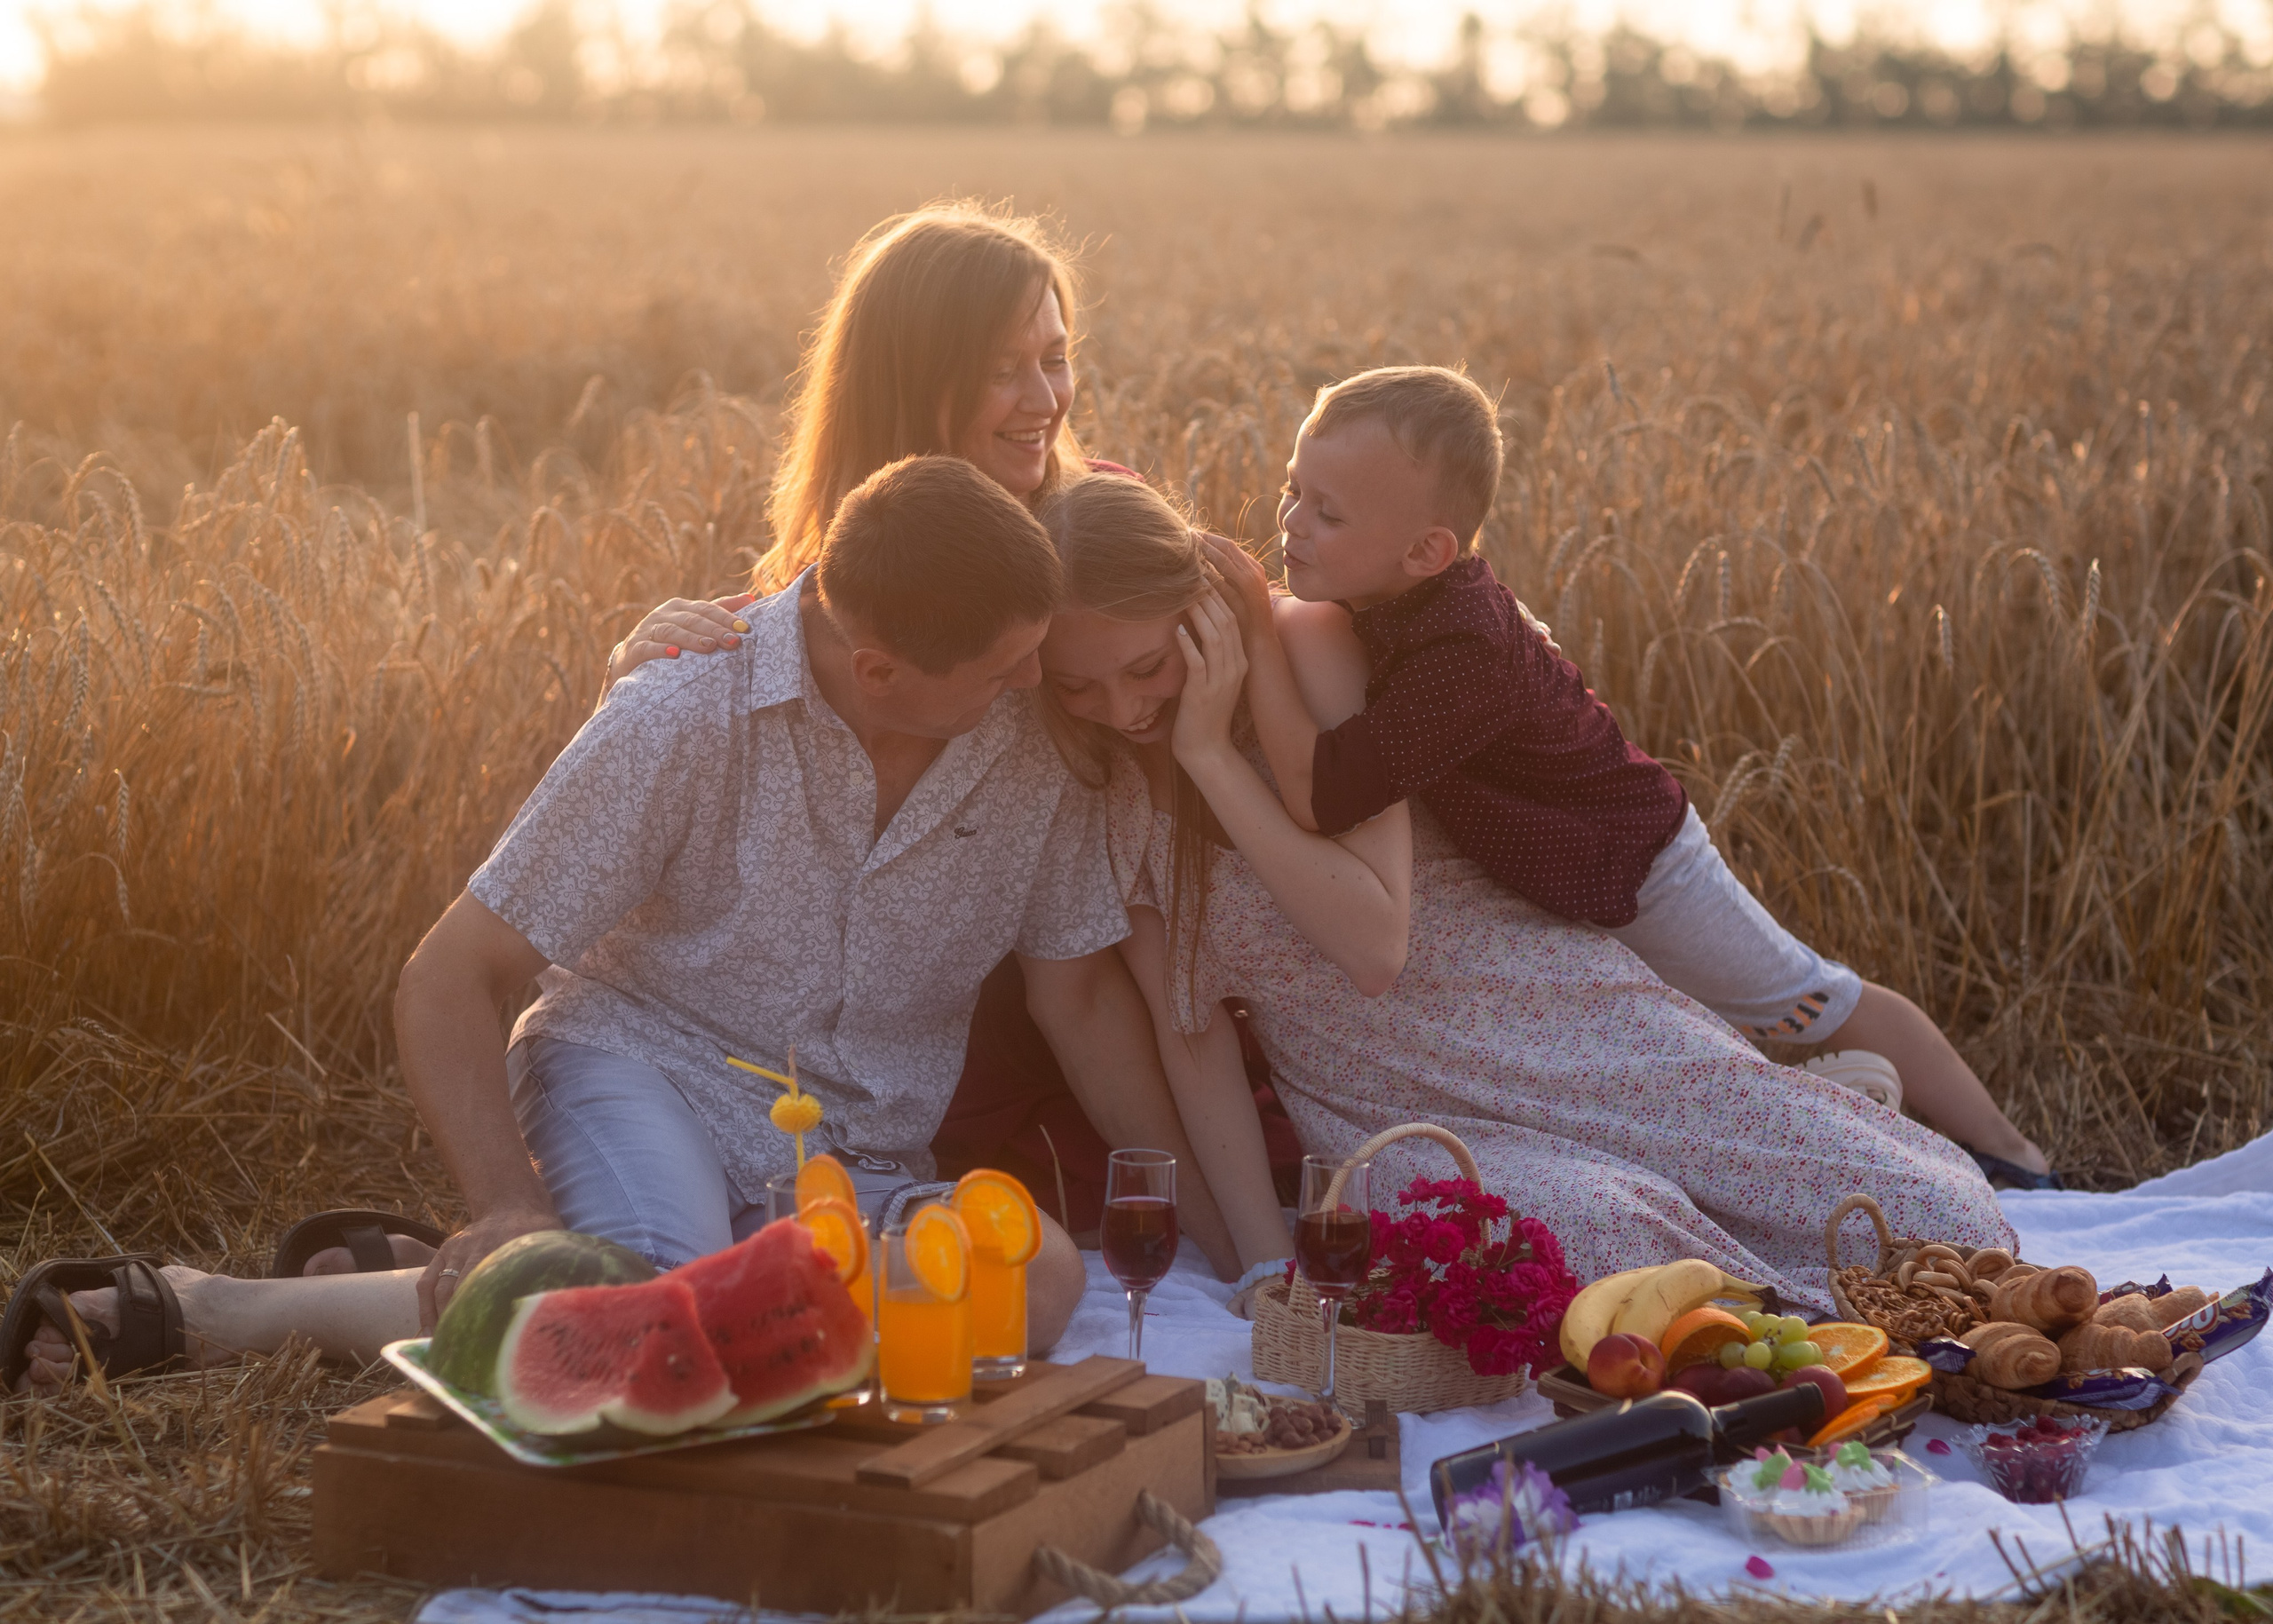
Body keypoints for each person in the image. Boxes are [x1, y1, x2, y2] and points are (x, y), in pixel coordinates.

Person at [7, 456, 1239, 1395]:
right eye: (1008, 669)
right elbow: (451, 978)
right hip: (648, 1067)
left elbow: (1080, 998)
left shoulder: (1027, 737)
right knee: (641, 1308)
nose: (1039, 689)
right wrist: (506, 1211)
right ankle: (208, 1310)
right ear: (879, 670)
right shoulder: (680, 718)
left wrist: (1228, 1249)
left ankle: (431, 1283)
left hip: (856, 1151)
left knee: (1038, 1278)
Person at [1033, 470, 2015, 1301]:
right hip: (1390, 1122)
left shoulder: (1307, 648)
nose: (1119, 708)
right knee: (1613, 1242)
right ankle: (1768, 1210)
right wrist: (1260, 1266)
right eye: (1076, 685)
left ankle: (1799, 1109)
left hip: (1555, 1020)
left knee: (1949, 1224)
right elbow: (1189, 1032)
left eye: (1146, 667)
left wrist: (1207, 752)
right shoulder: (1100, 792)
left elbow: (1373, 945)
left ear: (1198, 613)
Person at [1229, 364, 2055, 1185]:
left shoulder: (1464, 648)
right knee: (1670, 1048)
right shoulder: (1387, 598)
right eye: (1292, 489)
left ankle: (2016, 1158)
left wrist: (1260, 640)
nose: (1293, 523)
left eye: (1327, 513)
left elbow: (1327, 790)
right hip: (1553, 865)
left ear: (1427, 551)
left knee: (1800, 998)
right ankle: (1833, 1103)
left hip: (1638, 863)